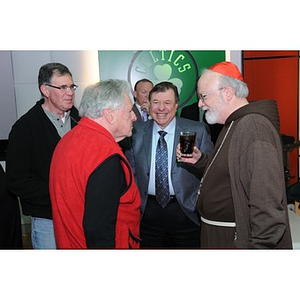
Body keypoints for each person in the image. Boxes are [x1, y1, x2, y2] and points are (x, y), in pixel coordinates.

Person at [177, 61, 292, 249]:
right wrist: (200, 161)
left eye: (204, 97)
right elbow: (228, 173)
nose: (200, 104)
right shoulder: (233, 124)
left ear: (227, 93)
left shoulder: (254, 128)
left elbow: (268, 212)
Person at [49, 79, 141, 249]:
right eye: (129, 111)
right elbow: (99, 231)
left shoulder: (68, 139)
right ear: (109, 114)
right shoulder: (105, 156)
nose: (134, 117)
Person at [125, 81, 214, 248]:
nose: (161, 108)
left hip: (186, 212)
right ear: (149, 104)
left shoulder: (198, 131)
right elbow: (131, 173)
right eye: (156, 102)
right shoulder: (135, 133)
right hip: (147, 214)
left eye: (167, 103)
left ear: (176, 105)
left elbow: (211, 171)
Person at [6, 62, 80, 249]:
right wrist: (59, 195)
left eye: (71, 86)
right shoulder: (25, 128)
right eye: (62, 87)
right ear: (45, 90)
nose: (70, 92)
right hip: (48, 220)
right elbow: (16, 180)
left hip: (81, 216)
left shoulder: (81, 120)